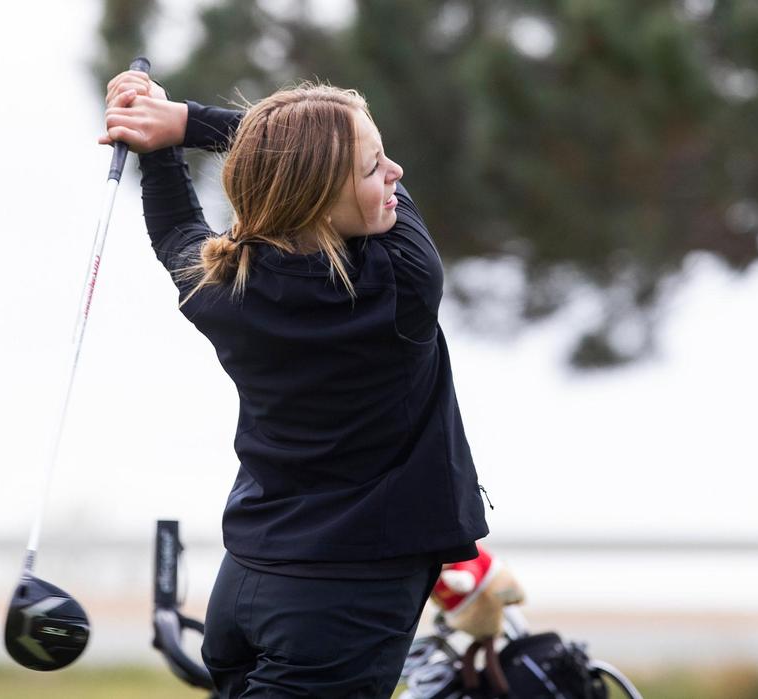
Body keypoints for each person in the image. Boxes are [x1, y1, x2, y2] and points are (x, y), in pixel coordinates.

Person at [102, 71, 491, 698]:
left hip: (246, 581)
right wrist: (183, 123)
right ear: (317, 197)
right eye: (374, 167)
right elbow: (276, 159)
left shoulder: (221, 289)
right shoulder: (407, 278)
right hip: (341, 603)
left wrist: (160, 145)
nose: (395, 172)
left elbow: (179, 225)